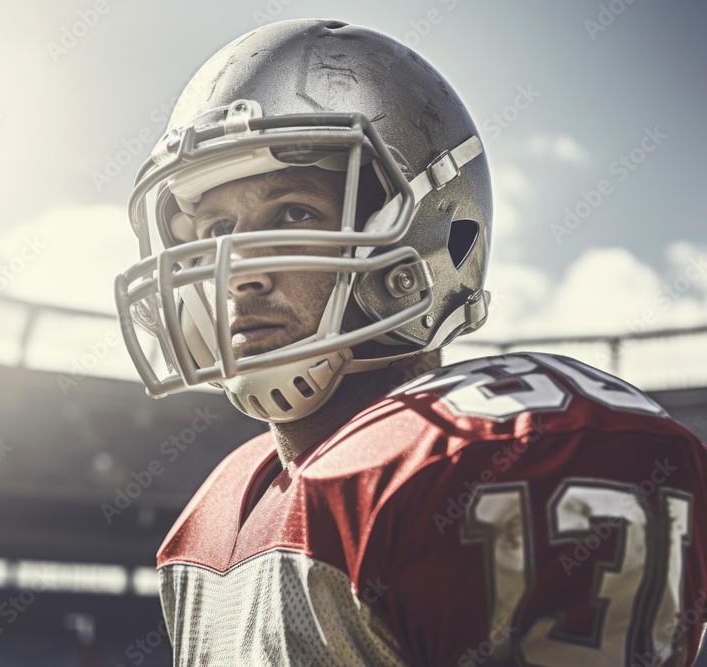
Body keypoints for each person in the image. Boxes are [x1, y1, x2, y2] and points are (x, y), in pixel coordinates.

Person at [114, 18, 707, 666]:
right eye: (217, 225)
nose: (239, 271)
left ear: (431, 234)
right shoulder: (210, 516)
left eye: (294, 213)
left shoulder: (491, 459)